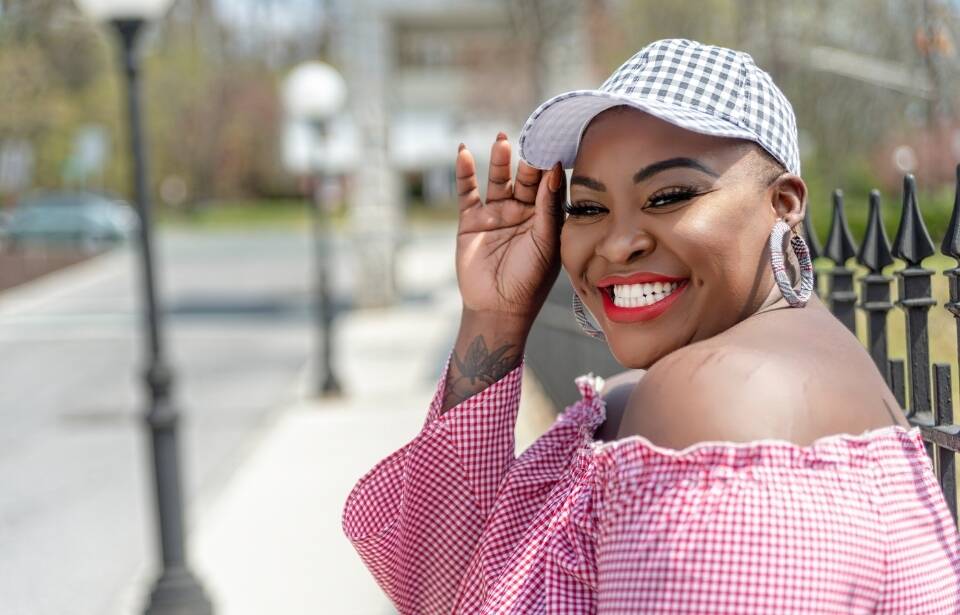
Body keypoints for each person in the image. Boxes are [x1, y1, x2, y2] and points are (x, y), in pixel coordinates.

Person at [342, 38, 960, 613]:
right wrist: (494, 317)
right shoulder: (663, 399)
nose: (619, 242)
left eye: (669, 196)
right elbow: (437, 586)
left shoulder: (722, 403)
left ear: (784, 204)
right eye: (587, 207)